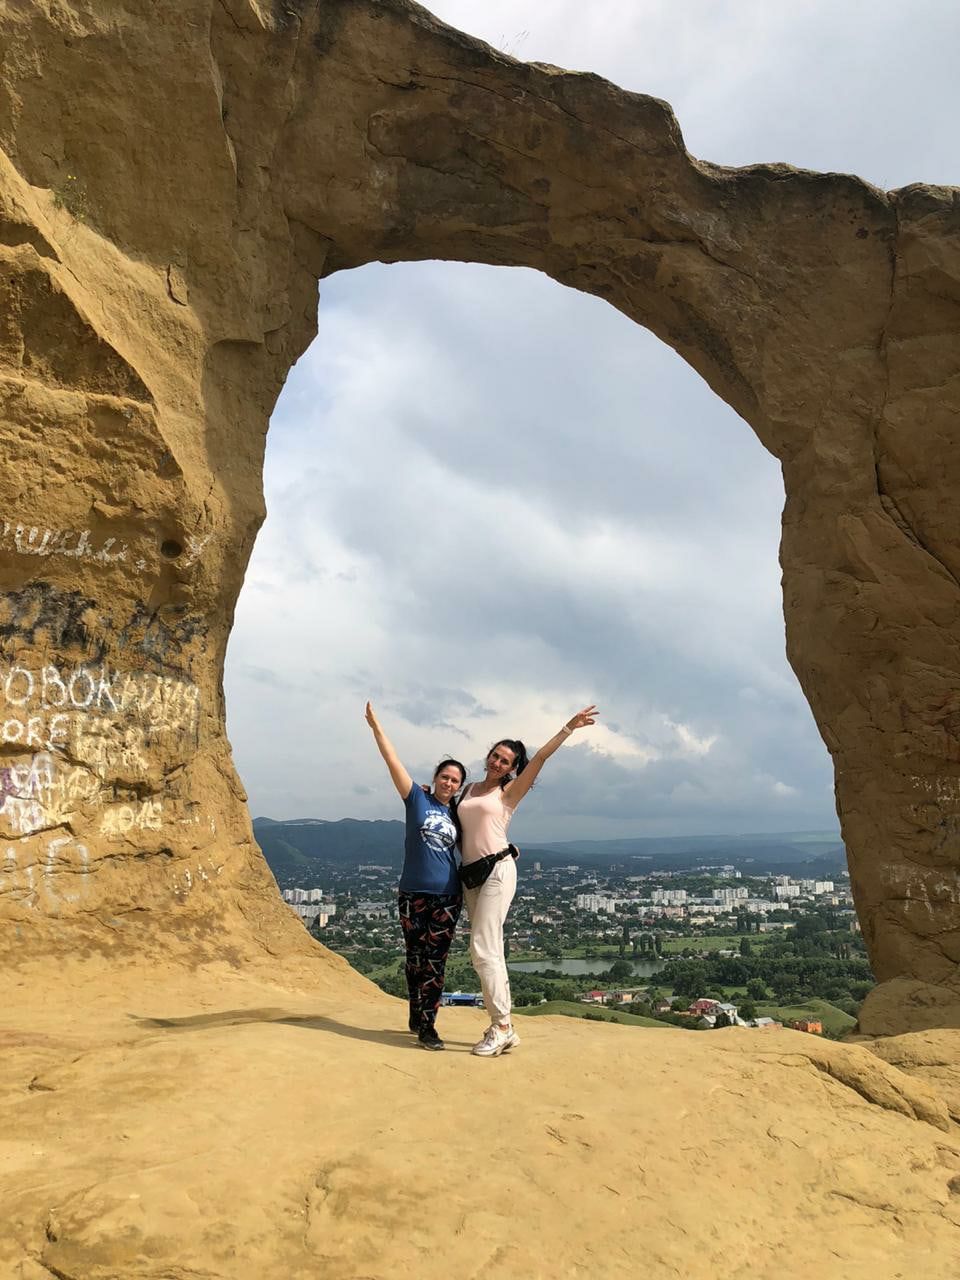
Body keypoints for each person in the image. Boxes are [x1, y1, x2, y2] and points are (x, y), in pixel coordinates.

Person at [458, 705, 598, 1058]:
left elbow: (540, 760)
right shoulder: (469, 789)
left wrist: (568, 728)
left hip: (497, 871)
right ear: (488, 755)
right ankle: (505, 1026)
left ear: (512, 768)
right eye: (495, 756)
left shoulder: (508, 793)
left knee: (483, 948)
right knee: (488, 949)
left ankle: (502, 1027)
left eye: (505, 761)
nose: (497, 763)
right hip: (471, 875)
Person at [364, 701, 465, 1051]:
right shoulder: (416, 799)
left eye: (455, 780)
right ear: (435, 778)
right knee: (415, 959)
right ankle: (415, 1009)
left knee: (435, 962)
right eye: (445, 777)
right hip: (412, 894)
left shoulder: (459, 814)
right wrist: (377, 728)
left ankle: (428, 1026)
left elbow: (483, 837)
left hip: (448, 896)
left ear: (459, 786)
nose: (449, 783)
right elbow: (392, 761)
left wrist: (508, 850)